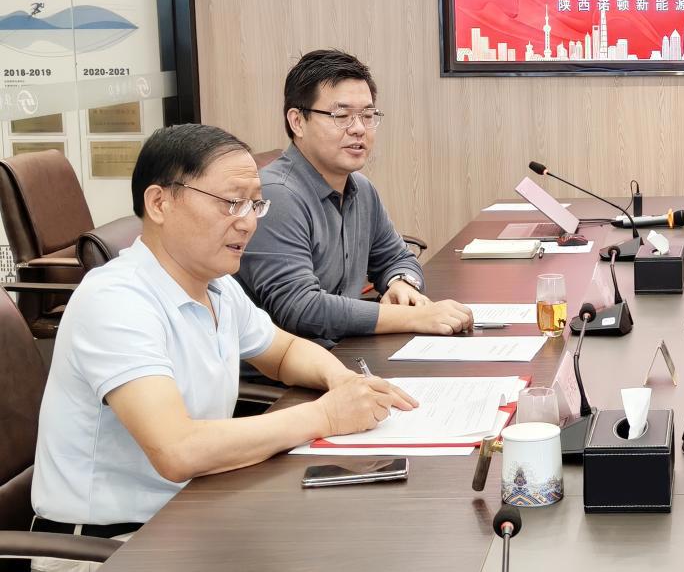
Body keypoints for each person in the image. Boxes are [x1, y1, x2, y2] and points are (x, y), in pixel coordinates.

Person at [30, 125, 415, 571]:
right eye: (232, 203)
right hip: (111, 547)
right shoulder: (116, 301)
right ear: (159, 203)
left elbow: (283, 353)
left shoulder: (214, 285)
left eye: (255, 204)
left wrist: (342, 380)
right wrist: (326, 416)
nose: (248, 221)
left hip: (192, 511)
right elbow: (177, 450)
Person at [236, 49, 472, 347]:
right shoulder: (276, 195)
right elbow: (300, 308)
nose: (359, 128)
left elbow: (397, 258)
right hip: (289, 368)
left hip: (345, 351)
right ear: (297, 122)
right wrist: (413, 317)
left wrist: (402, 282)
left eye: (368, 115)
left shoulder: (360, 188)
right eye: (341, 116)